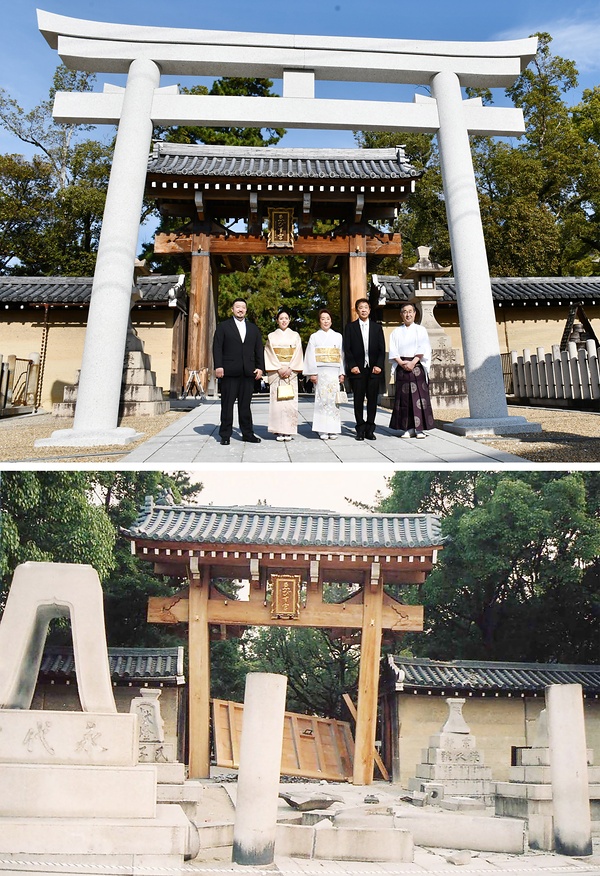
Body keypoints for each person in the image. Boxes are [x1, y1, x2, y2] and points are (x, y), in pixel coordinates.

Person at [212, 298, 265, 445]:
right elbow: (217, 347)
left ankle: (248, 433)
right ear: (232, 309)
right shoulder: (223, 327)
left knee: (245, 406)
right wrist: (218, 366)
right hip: (229, 371)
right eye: (237, 307)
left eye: (243, 307)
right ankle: (225, 435)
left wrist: (260, 367)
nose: (240, 309)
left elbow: (258, 349)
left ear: (246, 310)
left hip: (248, 372)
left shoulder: (253, 328)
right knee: (227, 405)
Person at [388, 301, 435, 438]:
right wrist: (401, 363)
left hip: (417, 366)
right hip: (402, 366)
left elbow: (423, 347)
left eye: (410, 311)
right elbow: (393, 350)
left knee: (419, 398)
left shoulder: (421, 330)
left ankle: (419, 429)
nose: (407, 314)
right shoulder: (396, 332)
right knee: (404, 399)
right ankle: (407, 428)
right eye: (405, 312)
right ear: (401, 315)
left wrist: (413, 362)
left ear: (415, 313)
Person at [343, 298, 386, 441]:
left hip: (373, 369)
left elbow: (382, 349)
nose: (363, 310)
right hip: (358, 370)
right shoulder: (350, 327)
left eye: (366, 307)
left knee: (372, 400)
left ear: (369, 310)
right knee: (358, 400)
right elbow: (347, 349)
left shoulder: (376, 327)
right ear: (357, 310)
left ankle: (370, 429)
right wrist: (352, 365)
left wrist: (379, 365)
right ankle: (360, 429)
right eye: (360, 307)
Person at [303, 309, 345, 439]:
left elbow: (341, 355)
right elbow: (310, 355)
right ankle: (322, 429)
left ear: (331, 321)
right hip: (321, 371)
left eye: (328, 318)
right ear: (319, 321)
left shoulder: (338, 336)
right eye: (323, 319)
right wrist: (312, 373)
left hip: (333, 371)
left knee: (333, 401)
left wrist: (341, 372)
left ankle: (333, 429)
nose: (325, 321)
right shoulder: (314, 336)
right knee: (321, 400)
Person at [264, 309, 304, 441]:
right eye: (281, 318)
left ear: (289, 320)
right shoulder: (271, 336)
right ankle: (279, 431)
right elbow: (269, 353)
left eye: (286, 318)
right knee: (277, 402)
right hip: (277, 372)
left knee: (290, 402)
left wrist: (290, 368)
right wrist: (279, 368)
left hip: (290, 372)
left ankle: (288, 431)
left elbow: (298, 353)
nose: (284, 321)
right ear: (277, 321)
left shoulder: (295, 335)